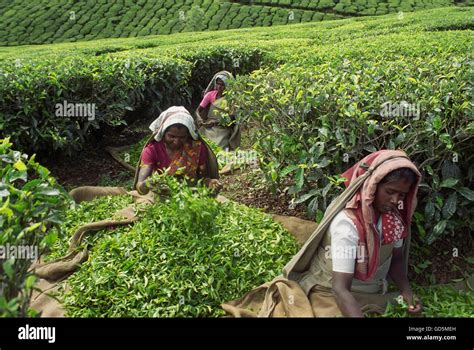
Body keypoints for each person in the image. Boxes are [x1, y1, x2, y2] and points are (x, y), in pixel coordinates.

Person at [222, 150, 423, 317]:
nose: (395, 199)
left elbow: (396, 262)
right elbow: (340, 288)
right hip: (330, 294)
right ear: (371, 187)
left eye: (402, 195)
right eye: (389, 191)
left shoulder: (394, 220)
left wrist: (407, 292)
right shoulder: (348, 225)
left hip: (373, 292)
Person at [134, 106, 221, 196]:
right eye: (172, 136)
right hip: (160, 194)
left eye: (182, 137)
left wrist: (210, 182)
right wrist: (146, 185)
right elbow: (140, 184)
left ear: (189, 135)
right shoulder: (152, 150)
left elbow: (203, 178)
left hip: (190, 194)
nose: (176, 141)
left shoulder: (197, 148)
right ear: (163, 134)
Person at [195, 71, 241, 150]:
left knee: (218, 146)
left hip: (223, 128)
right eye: (218, 84)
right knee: (200, 143)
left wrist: (216, 122)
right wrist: (199, 118)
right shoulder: (210, 95)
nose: (219, 87)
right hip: (208, 126)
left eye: (222, 85)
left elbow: (232, 118)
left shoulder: (231, 99)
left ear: (227, 85)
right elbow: (198, 110)